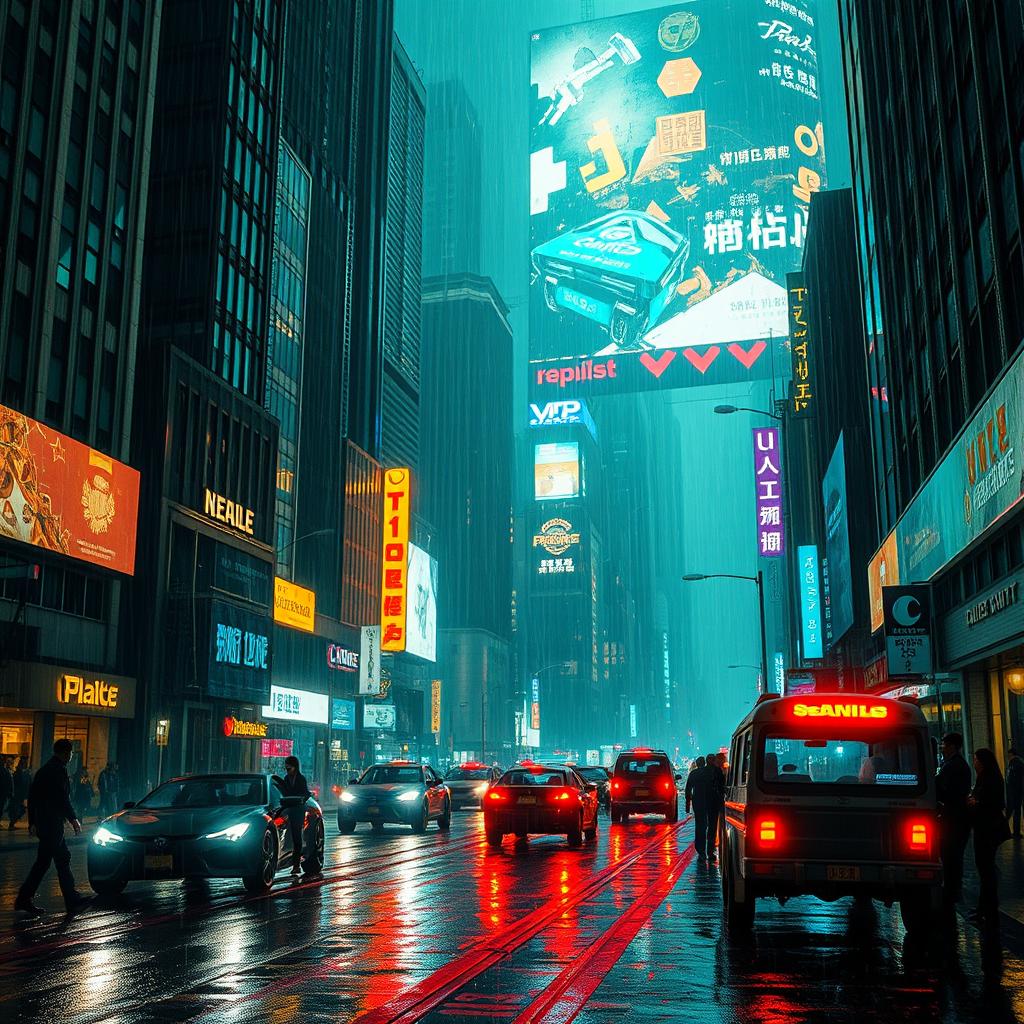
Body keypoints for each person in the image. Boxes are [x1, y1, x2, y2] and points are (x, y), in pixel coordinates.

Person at [14, 739, 90, 917]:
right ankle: (72, 901)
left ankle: (25, 898)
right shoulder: (58, 770)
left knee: (45, 862)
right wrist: (74, 819)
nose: (71, 757)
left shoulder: (44, 770)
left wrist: (32, 822)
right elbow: (62, 798)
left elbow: (32, 797)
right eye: (70, 753)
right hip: (52, 823)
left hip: (45, 823)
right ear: (66, 753)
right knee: (61, 859)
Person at [969, 747, 1010, 929]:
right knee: (985, 868)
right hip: (987, 828)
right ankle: (983, 907)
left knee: (985, 869)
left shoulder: (989, 780)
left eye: (976, 759)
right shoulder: (987, 778)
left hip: (987, 829)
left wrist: (974, 802)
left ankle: (987, 908)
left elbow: (989, 803)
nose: (974, 763)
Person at [936, 732, 972, 910]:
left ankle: (951, 892)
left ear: (951, 746)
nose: (941, 748)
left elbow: (942, 790)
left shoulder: (952, 766)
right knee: (952, 856)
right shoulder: (958, 764)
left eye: (943, 744)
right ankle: (952, 890)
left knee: (950, 856)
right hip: (957, 819)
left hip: (953, 819)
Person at [278, 756, 312, 876]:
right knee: (289, 837)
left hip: (298, 810)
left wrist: (301, 799)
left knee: (296, 836)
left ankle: (296, 865)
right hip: (288, 810)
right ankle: (289, 860)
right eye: (286, 768)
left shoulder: (301, 779)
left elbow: (305, 793)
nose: (287, 770)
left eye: (289, 768)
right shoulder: (286, 779)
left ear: (295, 767)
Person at [1005, 747, 1024, 838]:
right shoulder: (1019, 763)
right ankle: (1015, 832)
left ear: (1011, 754)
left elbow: (1010, 778)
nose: (1007, 756)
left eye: (1008, 754)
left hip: (1012, 791)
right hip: (1017, 791)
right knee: (1016, 811)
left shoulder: (1012, 764)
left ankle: (1007, 831)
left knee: (1010, 811)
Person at [9, 756, 31, 829]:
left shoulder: (23, 772)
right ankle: (12, 824)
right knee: (18, 809)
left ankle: (12, 823)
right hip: (17, 794)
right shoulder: (19, 772)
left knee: (20, 809)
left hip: (20, 795)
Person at [0, 755, 12, 821]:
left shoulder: (5, 771)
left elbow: (8, 782)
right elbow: (8, 782)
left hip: (3, 793)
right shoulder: (5, 771)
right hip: (3, 793)